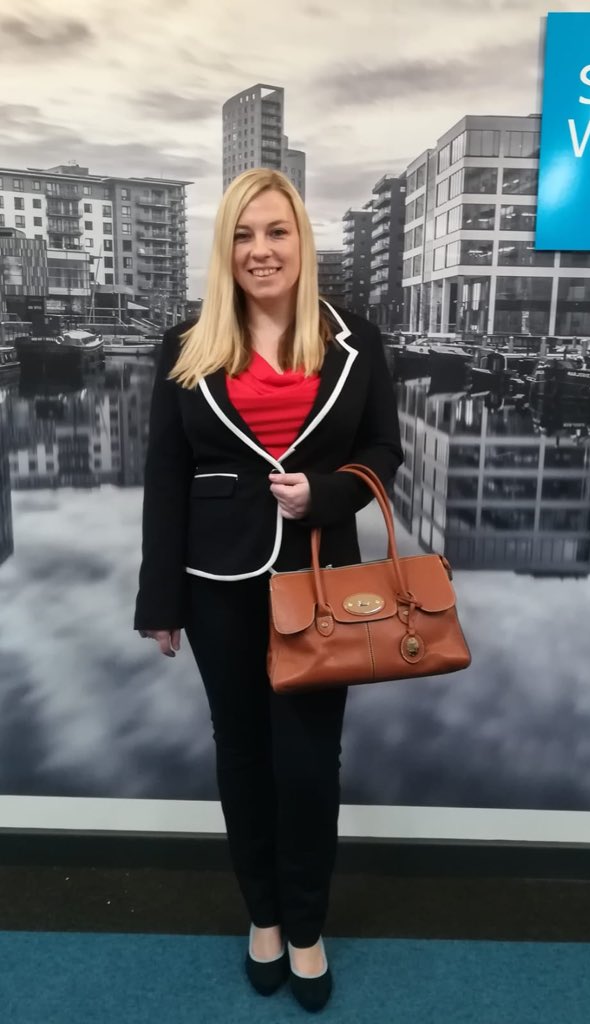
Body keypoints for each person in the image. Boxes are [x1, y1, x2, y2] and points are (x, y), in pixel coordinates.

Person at [134, 168, 403, 1013]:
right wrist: (159, 601)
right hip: (217, 583)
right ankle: (263, 917)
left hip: (319, 579)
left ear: (301, 240)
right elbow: (164, 475)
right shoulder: (186, 345)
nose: (261, 250)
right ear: (226, 248)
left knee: (309, 764)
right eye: (244, 235)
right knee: (243, 753)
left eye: (276, 232)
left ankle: (307, 926)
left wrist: (328, 493)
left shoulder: (355, 339)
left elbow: (384, 451)